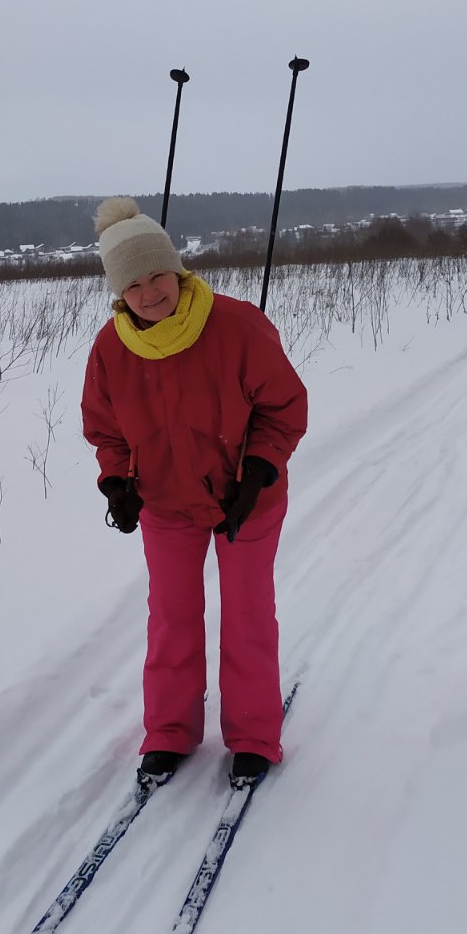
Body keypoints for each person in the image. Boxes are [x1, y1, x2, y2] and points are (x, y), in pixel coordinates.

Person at [82, 197, 308, 790]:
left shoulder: (237, 325)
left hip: (244, 499)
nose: (149, 292)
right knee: (172, 617)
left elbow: (284, 408)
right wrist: (115, 481)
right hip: (165, 502)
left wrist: (259, 470)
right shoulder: (112, 348)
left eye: (157, 274)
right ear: (118, 291)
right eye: (132, 283)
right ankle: (169, 732)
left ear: (177, 271)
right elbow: (105, 428)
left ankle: (255, 736)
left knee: (248, 614)